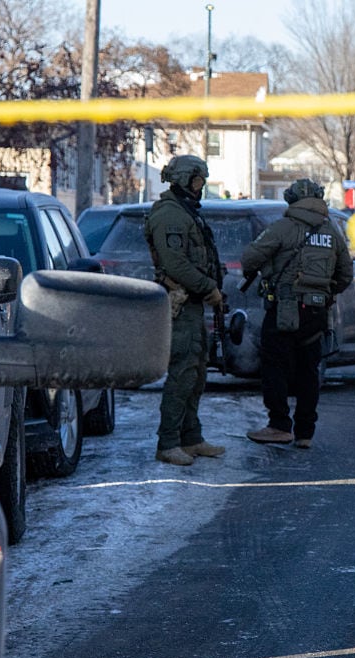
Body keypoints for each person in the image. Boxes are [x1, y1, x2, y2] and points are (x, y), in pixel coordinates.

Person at [241, 179, 353, 448]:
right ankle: (305, 433)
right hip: (316, 311)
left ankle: (279, 425)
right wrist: (324, 292)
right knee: (308, 370)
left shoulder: (282, 227)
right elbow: (345, 275)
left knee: (275, 366)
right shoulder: (332, 232)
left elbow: (249, 259)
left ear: (291, 200)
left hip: (283, 308)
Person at [144, 154, 226, 466]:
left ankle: (191, 438)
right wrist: (209, 287)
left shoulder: (185, 211)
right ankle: (168, 443)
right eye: (198, 180)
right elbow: (175, 263)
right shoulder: (170, 214)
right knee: (182, 373)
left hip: (192, 304)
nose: (201, 186)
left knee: (196, 372)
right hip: (180, 304)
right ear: (186, 179)